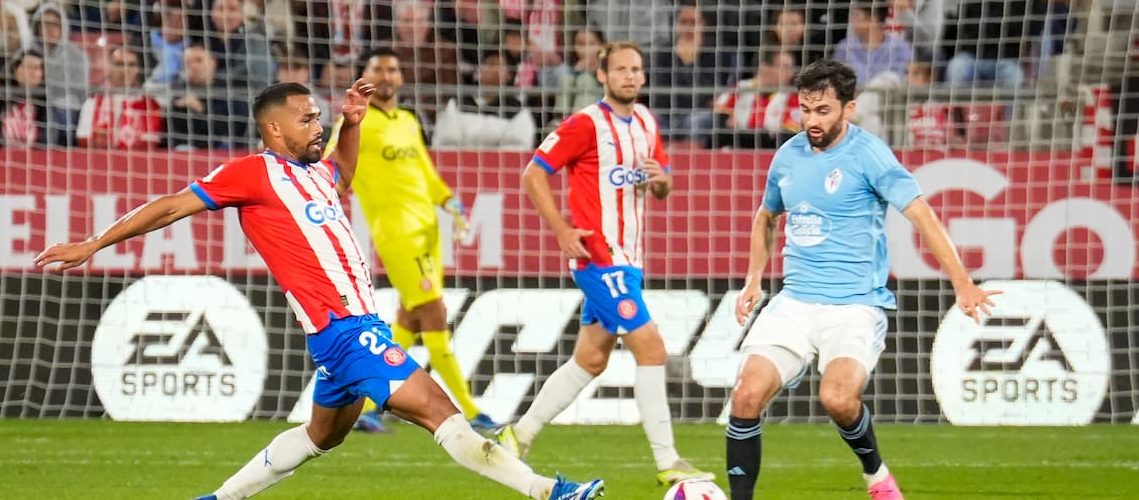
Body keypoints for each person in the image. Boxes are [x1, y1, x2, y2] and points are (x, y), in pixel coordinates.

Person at [35, 80, 606, 500]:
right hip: (345, 332)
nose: (318, 125)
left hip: (353, 332)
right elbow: (169, 207)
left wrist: (351, 124)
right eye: (308, 119)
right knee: (440, 412)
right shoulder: (251, 173)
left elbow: (343, 173)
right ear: (275, 128)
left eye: (319, 117)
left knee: (319, 437)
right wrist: (93, 243)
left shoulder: (315, 175)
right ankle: (547, 492)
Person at [725, 60, 1002, 500]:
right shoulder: (788, 155)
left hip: (855, 306)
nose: (812, 121)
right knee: (745, 396)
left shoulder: (869, 154)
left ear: (849, 109)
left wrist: (962, 283)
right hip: (795, 302)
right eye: (806, 110)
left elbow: (924, 218)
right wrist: (754, 278)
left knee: (837, 399)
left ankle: (876, 475)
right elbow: (766, 215)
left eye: (823, 111)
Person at [496, 42, 713, 487]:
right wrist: (561, 230)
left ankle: (517, 436)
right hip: (599, 259)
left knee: (591, 359)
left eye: (636, 69)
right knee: (650, 348)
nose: (630, 77)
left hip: (629, 259)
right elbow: (533, 173)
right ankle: (669, 461)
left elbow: (661, 184)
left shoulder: (648, 122)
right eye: (621, 70)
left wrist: (662, 183)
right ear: (603, 75)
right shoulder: (585, 124)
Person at [347, 48, 503, 433]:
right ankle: (466, 409)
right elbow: (336, 167)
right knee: (434, 314)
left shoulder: (406, 120)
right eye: (378, 68)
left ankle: (370, 408)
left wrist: (449, 201)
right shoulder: (355, 125)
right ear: (363, 77)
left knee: (410, 317)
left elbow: (424, 172)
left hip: (428, 230)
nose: (387, 74)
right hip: (397, 234)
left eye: (393, 68)